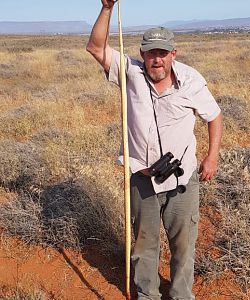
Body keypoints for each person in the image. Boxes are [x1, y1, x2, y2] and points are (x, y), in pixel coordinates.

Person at [86, 1, 223, 299]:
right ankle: (146, 294)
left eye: (162, 53)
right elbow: (96, 48)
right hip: (142, 179)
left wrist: (212, 156)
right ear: (142, 54)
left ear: (173, 54)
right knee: (144, 247)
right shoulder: (130, 74)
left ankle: (180, 295)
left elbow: (214, 116)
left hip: (182, 181)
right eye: (151, 53)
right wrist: (107, 9)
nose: (156, 60)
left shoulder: (191, 82)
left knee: (183, 246)